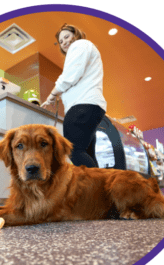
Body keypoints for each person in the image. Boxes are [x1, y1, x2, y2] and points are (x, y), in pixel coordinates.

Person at [41, 24, 107, 168]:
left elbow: (69, 76)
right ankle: (98, 189)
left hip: (82, 106)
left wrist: (52, 95)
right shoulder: (85, 48)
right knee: (87, 154)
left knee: (74, 151)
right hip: (90, 106)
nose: (64, 42)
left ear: (75, 34)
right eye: (61, 41)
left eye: (66, 37)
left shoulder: (80, 45)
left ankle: (100, 187)